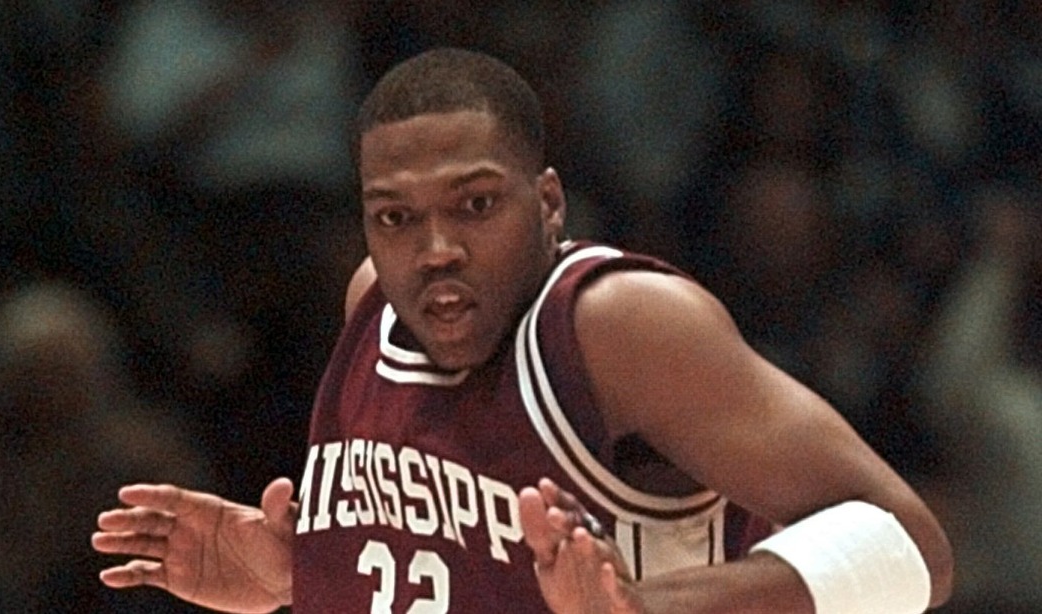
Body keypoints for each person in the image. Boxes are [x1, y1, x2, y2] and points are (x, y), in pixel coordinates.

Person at [93, 47, 953, 613]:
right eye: (395, 218)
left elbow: (910, 549)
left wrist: (649, 608)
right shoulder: (371, 309)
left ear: (546, 202)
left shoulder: (616, 326)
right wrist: (304, 572)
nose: (435, 251)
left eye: (474, 206)